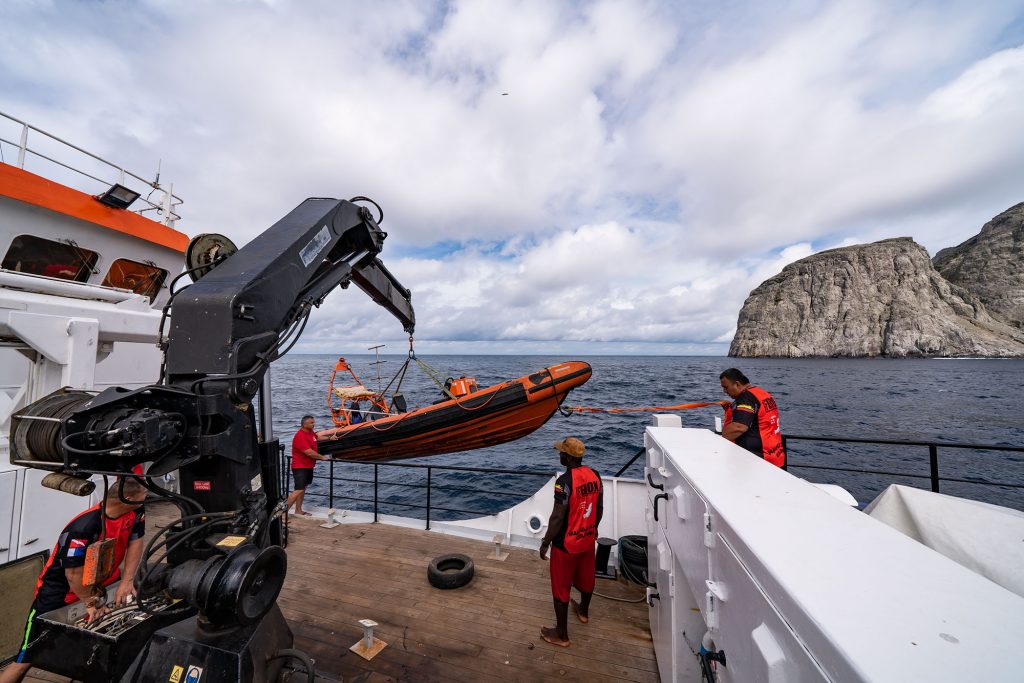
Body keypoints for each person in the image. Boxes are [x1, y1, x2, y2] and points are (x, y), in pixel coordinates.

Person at [1, 478, 147, 683]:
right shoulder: (83, 527)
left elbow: (136, 540)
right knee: (28, 656)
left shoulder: (135, 512)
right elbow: (73, 575)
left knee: (101, 644)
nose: (146, 500)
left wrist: (126, 581)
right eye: (143, 496)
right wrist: (90, 602)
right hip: (59, 595)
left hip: (102, 586)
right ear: (127, 498)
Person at [538, 437, 603, 647]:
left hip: (566, 544)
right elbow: (599, 508)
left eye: (561, 453)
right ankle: (583, 612)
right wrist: (592, 529)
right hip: (587, 540)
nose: (559, 455)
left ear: (567, 457)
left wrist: (546, 542)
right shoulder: (596, 475)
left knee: (560, 588)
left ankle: (562, 634)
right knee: (586, 578)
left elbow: (557, 517)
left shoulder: (563, 483)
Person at [719, 368, 785, 467]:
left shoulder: (746, 398)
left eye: (726, 387)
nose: (724, 391)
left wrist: (720, 438)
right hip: (776, 456)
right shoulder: (762, 393)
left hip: (759, 461)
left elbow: (738, 427)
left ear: (737, 384)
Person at [286, 414, 327, 517]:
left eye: (314, 422)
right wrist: (322, 457)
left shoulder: (310, 432)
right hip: (300, 466)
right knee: (298, 489)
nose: (314, 424)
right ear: (304, 425)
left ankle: (298, 510)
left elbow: (317, 437)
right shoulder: (300, 436)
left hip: (308, 466)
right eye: (311, 423)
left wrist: (331, 437)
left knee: (303, 488)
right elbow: (309, 452)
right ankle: (282, 514)